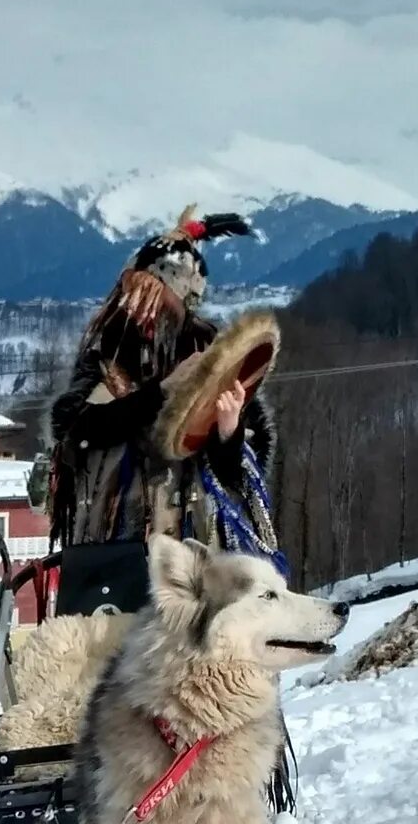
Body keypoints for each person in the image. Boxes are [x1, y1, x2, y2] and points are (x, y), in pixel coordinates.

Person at [42, 210, 282, 563]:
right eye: (135, 295)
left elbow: (241, 471)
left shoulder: (211, 356)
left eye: (155, 300)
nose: (142, 311)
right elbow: (75, 431)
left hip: (194, 547)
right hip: (114, 551)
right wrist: (160, 393)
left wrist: (228, 432)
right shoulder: (108, 353)